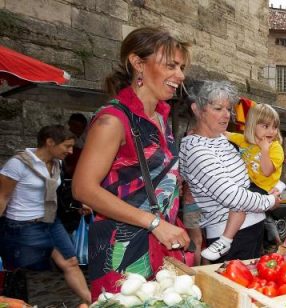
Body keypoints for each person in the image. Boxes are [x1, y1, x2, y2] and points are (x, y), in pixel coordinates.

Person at [72, 27, 191, 301]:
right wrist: (154, 223)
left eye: (181, 67)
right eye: (171, 66)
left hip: (164, 247)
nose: (181, 76)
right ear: (138, 63)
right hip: (122, 254)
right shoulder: (112, 119)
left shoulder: (161, 118)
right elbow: (82, 189)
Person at [179, 80, 281, 262]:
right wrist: (270, 200)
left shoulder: (222, 139)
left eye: (229, 109)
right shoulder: (195, 149)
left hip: (252, 229)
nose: (227, 115)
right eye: (218, 109)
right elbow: (232, 196)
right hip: (231, 238)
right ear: (197, 109)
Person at [0, 125, 90, 305]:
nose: (71, 151)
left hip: (50, 222)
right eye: (67, 146)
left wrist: (80, 202)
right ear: (50, 142)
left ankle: (91, 302)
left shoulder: (58, 163)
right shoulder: (17, 164)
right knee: (24, 273)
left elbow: (60, 191)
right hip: (22, 226)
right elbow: (2, 196)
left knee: (71, 263)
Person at [199, 102, 285, 261]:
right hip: (247, 184)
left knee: (239, 204)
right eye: (265, 126)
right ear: (253, 126)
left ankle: (225, 240)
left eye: (274, 127)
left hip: (262, 187)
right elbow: (226, 134)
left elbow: (267, 171)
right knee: (238, 202)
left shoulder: (275, 148)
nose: (271, 131)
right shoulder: (246, 142)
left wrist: (264, 149)